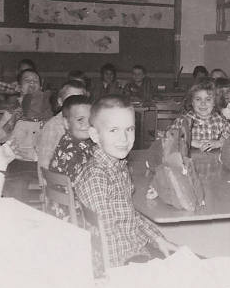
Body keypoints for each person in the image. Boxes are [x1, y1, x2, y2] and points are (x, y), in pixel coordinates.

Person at [75, 95, 177, 268]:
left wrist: (158, 239)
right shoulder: (97, 177)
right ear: (94, 135)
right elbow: (107, 237)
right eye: (113, 130)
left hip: (133, 252)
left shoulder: (117, 167)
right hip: (119, 265)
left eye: (129, 129)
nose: (124, 138)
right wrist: (136, 269)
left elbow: (128, 215)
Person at [169, 78, 230, 151]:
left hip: (212, 159)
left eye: (208, 99)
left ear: (214, 102)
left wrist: (220, 142)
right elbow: (169, 137)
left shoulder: (220, 120)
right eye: (198, 99)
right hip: (188, 160)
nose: (203, 103)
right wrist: (190, 141)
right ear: (192, 102)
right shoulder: (183, 121)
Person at [37, 80, 88, 169]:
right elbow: (43, 163)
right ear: (60, 102)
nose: (76, 105)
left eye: (80, 99)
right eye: (70, 99)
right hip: (59, 179)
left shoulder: (87, 124)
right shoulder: (53, 127)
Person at [49, 95, 95, 184]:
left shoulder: (66, 141)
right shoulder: (76, 153)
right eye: (80, 119)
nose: (87, 124)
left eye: (90, 119)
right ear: (66, 123)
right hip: (73, 196)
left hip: (60, 195)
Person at [0, 134, 16, 199]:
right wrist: (8, 143)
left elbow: (12, 155)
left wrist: (8, 143)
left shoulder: (6, 157)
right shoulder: (2, 154)